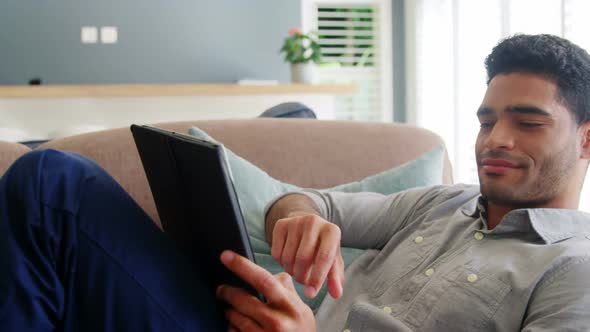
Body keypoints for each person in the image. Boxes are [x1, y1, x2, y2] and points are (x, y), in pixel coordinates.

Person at [1, 33, 589, 332]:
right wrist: (296, 217)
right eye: (487, 119)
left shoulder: (574, 270)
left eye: (528, 123)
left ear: (586, 140)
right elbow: (315, 201)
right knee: (54, 182)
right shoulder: (445, 202)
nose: (496, 139)